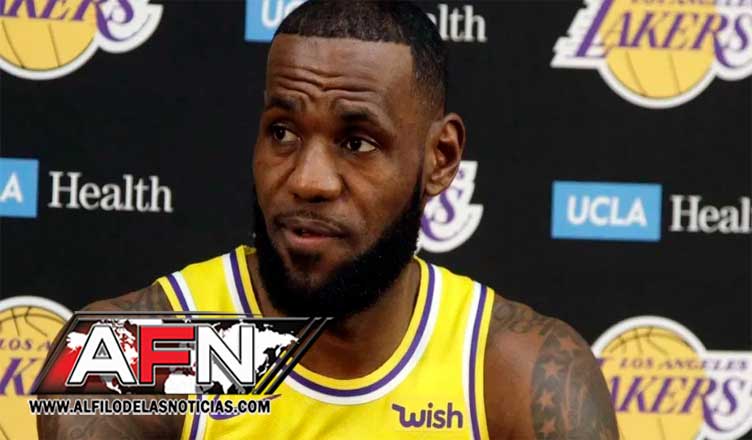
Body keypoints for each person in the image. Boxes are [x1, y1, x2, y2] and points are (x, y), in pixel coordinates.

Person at [38, 1, 619, 439]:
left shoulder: (516, 374)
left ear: (440, 159)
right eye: (282, 132)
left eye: (357, 141)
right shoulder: (135, 354)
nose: (308, 180)